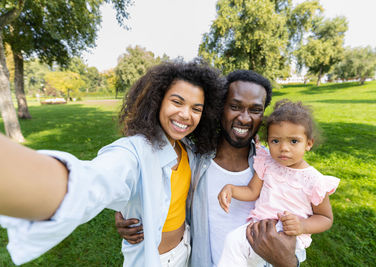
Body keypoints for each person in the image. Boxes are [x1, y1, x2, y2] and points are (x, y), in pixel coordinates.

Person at [0, 61, 226, 266]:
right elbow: (94, 179)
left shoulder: (186, 148)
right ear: (157, 101)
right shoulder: (133, 152)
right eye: (177, 102)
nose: (187, 114)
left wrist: (125, 209)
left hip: (186, 248)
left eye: (196, 108)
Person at [116, 70, 300, 267]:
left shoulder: (275, 167)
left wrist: (289, 262)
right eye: (235, 106)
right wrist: (126, 212)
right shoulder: (193, 158)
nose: (245, 119)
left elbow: (295, 229)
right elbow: (155, 179)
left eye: (255, 110)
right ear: (220, 108)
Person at [217, 100, 340, 266]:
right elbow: (252, 191)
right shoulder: (267, 164)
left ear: (308, 144)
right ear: (268, 142)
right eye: (275, 141)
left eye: (293, 141)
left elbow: (325, 218)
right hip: (259, 228)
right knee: (232, 241)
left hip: (289, 235)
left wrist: (302, 226)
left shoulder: (314, 180)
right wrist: (231, 189)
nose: (284, 148)